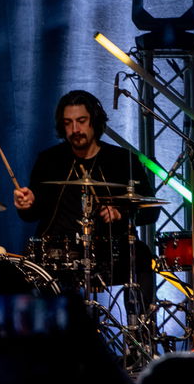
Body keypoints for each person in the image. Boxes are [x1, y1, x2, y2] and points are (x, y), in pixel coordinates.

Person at [13, 89, 155, 284]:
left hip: (109, 252)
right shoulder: (49, 160)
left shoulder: (123, 160)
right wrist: (26, 204)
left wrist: (120, 212)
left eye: (81, 121)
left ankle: (139, 315)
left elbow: (151, 210)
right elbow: (33, 214)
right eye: (68, 123)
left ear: (94, 122)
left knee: (142, 255)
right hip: (59, 253)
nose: (75, 129)